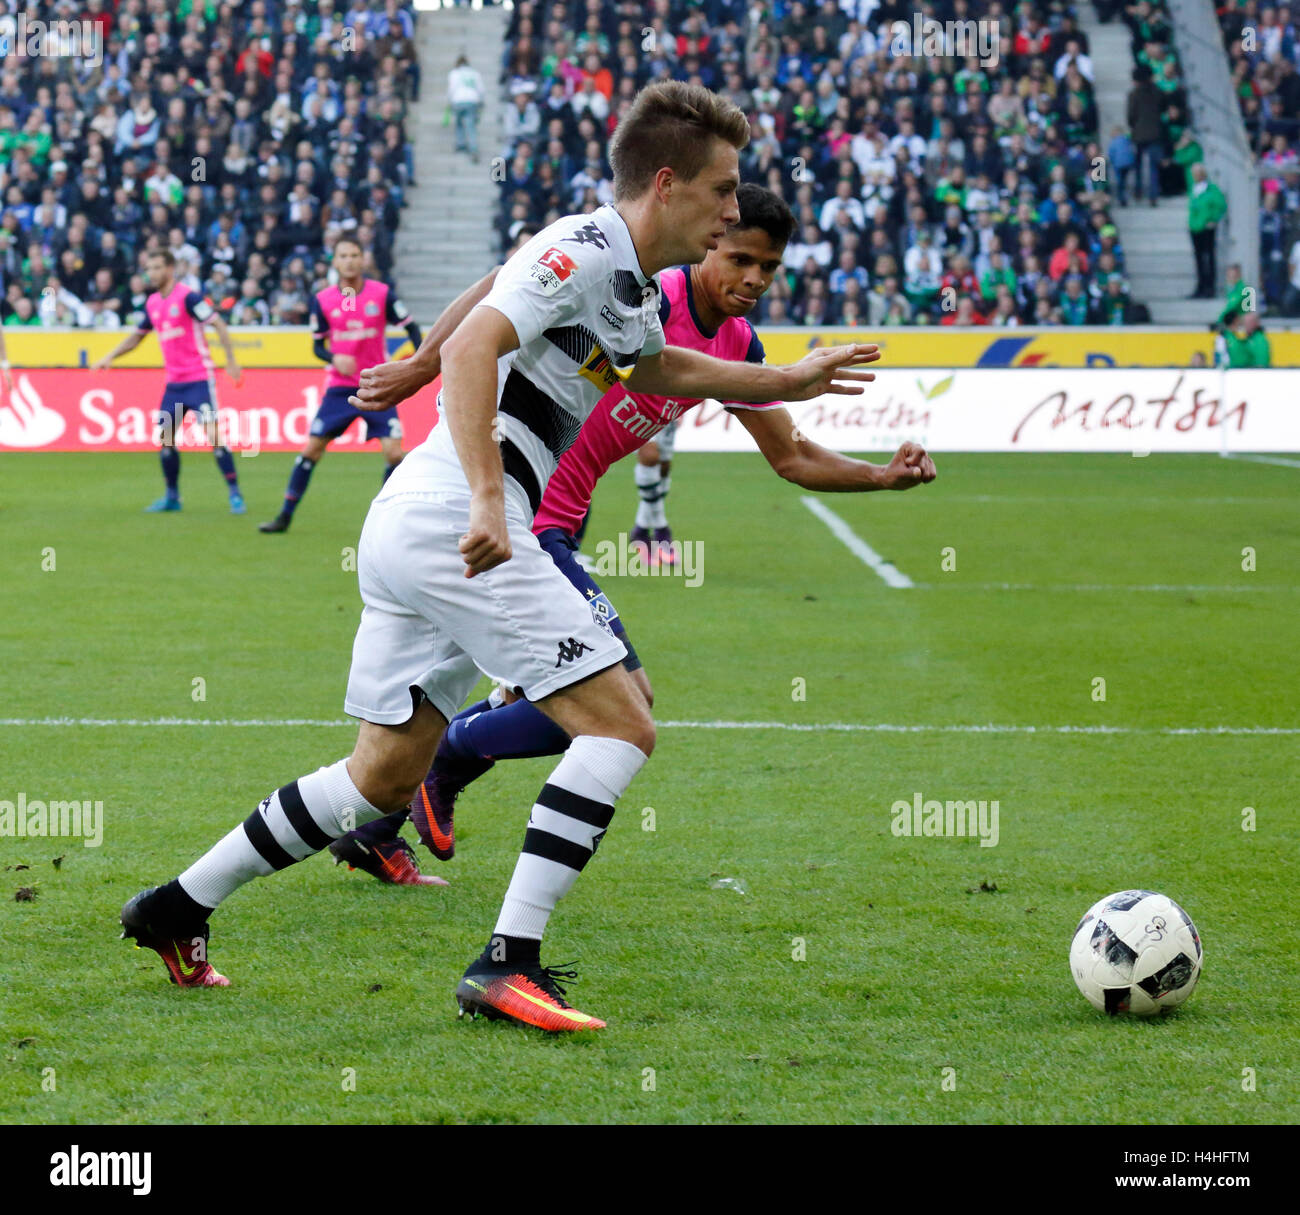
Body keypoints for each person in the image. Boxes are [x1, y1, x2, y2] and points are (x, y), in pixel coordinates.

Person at [118, 83, 919, 1033]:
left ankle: (177, 905)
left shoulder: (616, 275)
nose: (734, 209)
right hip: (461, 519)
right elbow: (478, 350)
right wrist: (494, 493)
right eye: (724, 189)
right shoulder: (586, 246)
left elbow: (652, 364)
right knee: (621, 724)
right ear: (668, 185)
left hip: (416, 522)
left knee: (382, 773)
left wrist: (783, 377)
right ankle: (508, 963)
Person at [332, 183, 936, 877]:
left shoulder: (737, 340)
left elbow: (792, 456)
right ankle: (443, 767)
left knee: (512, 685)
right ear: (710, 242)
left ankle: (378, 820)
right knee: (621, 700)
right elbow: (507, 278)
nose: (752, 279)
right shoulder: (650, 290)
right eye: (740, 258)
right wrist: (419, 364)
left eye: (768, 268)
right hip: (524, 508)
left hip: (561, 514)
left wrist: (881, 476)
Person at [259, 237, 422, 534]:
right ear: (334, 262)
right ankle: (284, 516)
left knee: (394, 454)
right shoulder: (322, 300)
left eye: (355, 255)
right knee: (311, 450)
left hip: (375, 385)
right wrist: (334, 357)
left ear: (363, 260)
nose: (349, 260)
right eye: (343, 255)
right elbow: (316, 347)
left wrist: (418, 364)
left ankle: (385, 522)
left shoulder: (381, 294)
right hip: (339, 389)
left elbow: (411, 327)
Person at [91, 250, 244, 513]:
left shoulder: (188, 297)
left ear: (170, 269)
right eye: (149, 268)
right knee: (165, 438)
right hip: (174, 383)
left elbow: (218, 323)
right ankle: (172, 497)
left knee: (213, 436)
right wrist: (110, 356)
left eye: (157, 267)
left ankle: (234, 493)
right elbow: (137, 337)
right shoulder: (152, 303)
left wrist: (231, 361)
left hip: (198, 379)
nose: (152, 272)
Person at [1126, 67, 1164, 206]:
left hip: (1139, 134)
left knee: (1138, 165)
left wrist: (1134, 126)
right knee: (1153, 166)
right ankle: (1153, 195)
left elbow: (1131, 116)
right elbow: (1162, 109)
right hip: (1155, 133)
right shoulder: (1157, 92)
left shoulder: (1134, 94)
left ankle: (1138, 190)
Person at [1188, 163, 1226, 299]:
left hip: (1207, 227)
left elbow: (1221, 205)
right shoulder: (1194, 188)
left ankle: (1210, 287)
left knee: (1208, 257)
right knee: (1198, 258)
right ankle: (1200, 286)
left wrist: (1213, 219)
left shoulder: (1211, 189)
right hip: (1195, 227)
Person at [447, 54, 484, 164]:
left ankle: (461, 144)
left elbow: (451, 88)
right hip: (472, 100)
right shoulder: (475, 73)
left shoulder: (454, 73)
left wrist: (449, 101)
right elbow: (481, 89)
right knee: (470, 125)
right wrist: (481, 101)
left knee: (459, 123)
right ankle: (473, 148)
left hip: (458, 100)